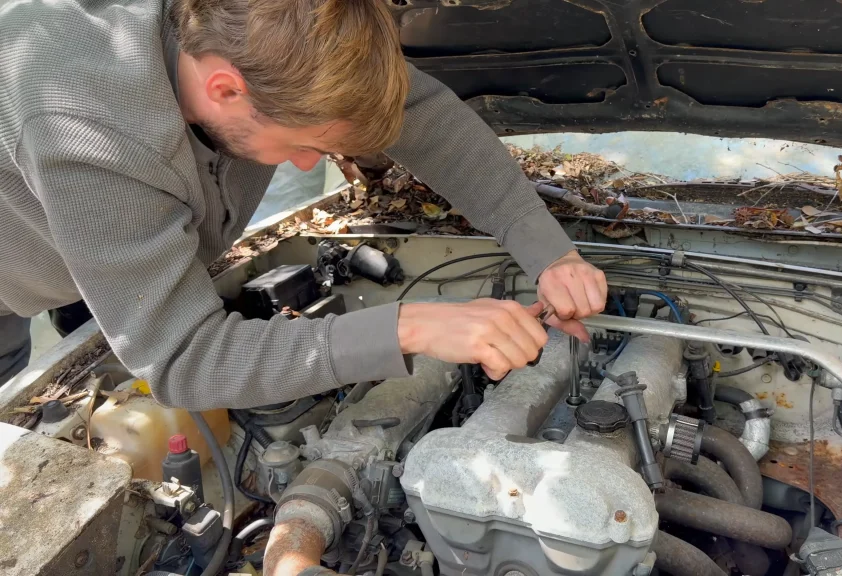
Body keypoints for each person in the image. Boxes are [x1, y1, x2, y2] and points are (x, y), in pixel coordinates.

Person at [0, 0, 607, 409]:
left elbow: (420, 115)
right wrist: (412, 325)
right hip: (13, 270)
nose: (306, 166)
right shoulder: (82, 131)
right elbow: (184, 358)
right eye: (305, 145)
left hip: (106, 236)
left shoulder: (278, 36)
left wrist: (547, 251)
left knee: (105, 320)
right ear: (226, 89)